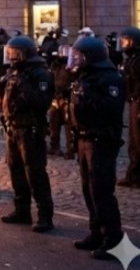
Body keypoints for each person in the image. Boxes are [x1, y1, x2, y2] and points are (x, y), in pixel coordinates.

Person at [68, 35, 127, 260]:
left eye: (80, 56)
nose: (76, 60)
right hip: (84, 138)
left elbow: (110, 109)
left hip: (101, 140)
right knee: (88, 189)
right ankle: (96, 232)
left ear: (91, 57)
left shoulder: (111, 79)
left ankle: (113, 240)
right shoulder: (85, 77)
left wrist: (89, 94)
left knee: (102, 191)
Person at [0, 34, 54, 233]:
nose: (12, 56)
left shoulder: (40, 74)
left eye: (16, 53)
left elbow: (41, 103)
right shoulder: (13, 72)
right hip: (13, 128)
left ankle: (45, 216)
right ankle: (22, 210)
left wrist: (24, 84)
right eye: (10, 52)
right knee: (16, 170)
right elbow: (5, 102)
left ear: (26, 54)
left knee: (35, 173)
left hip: (31, 129)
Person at [120, 26, 140, 188]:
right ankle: (133, 175)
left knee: (138, 140)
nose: (123, 43)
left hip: (139, 101)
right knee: (133, 140)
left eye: (126, 40)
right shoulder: (131, 58)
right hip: (133, 101)